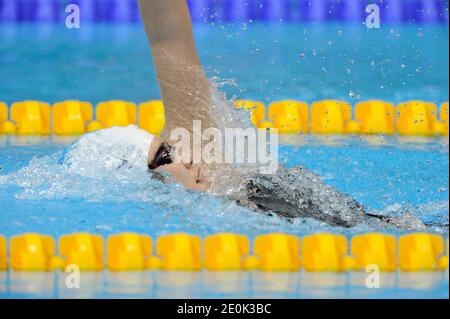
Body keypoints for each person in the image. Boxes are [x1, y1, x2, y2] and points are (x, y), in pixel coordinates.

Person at [62, 0, 427, 229]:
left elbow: (166, 36)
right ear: (148, 180)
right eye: (165, 156)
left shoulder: (199, 148)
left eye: (168, 144)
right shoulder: (176, 218)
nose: (182, 156)